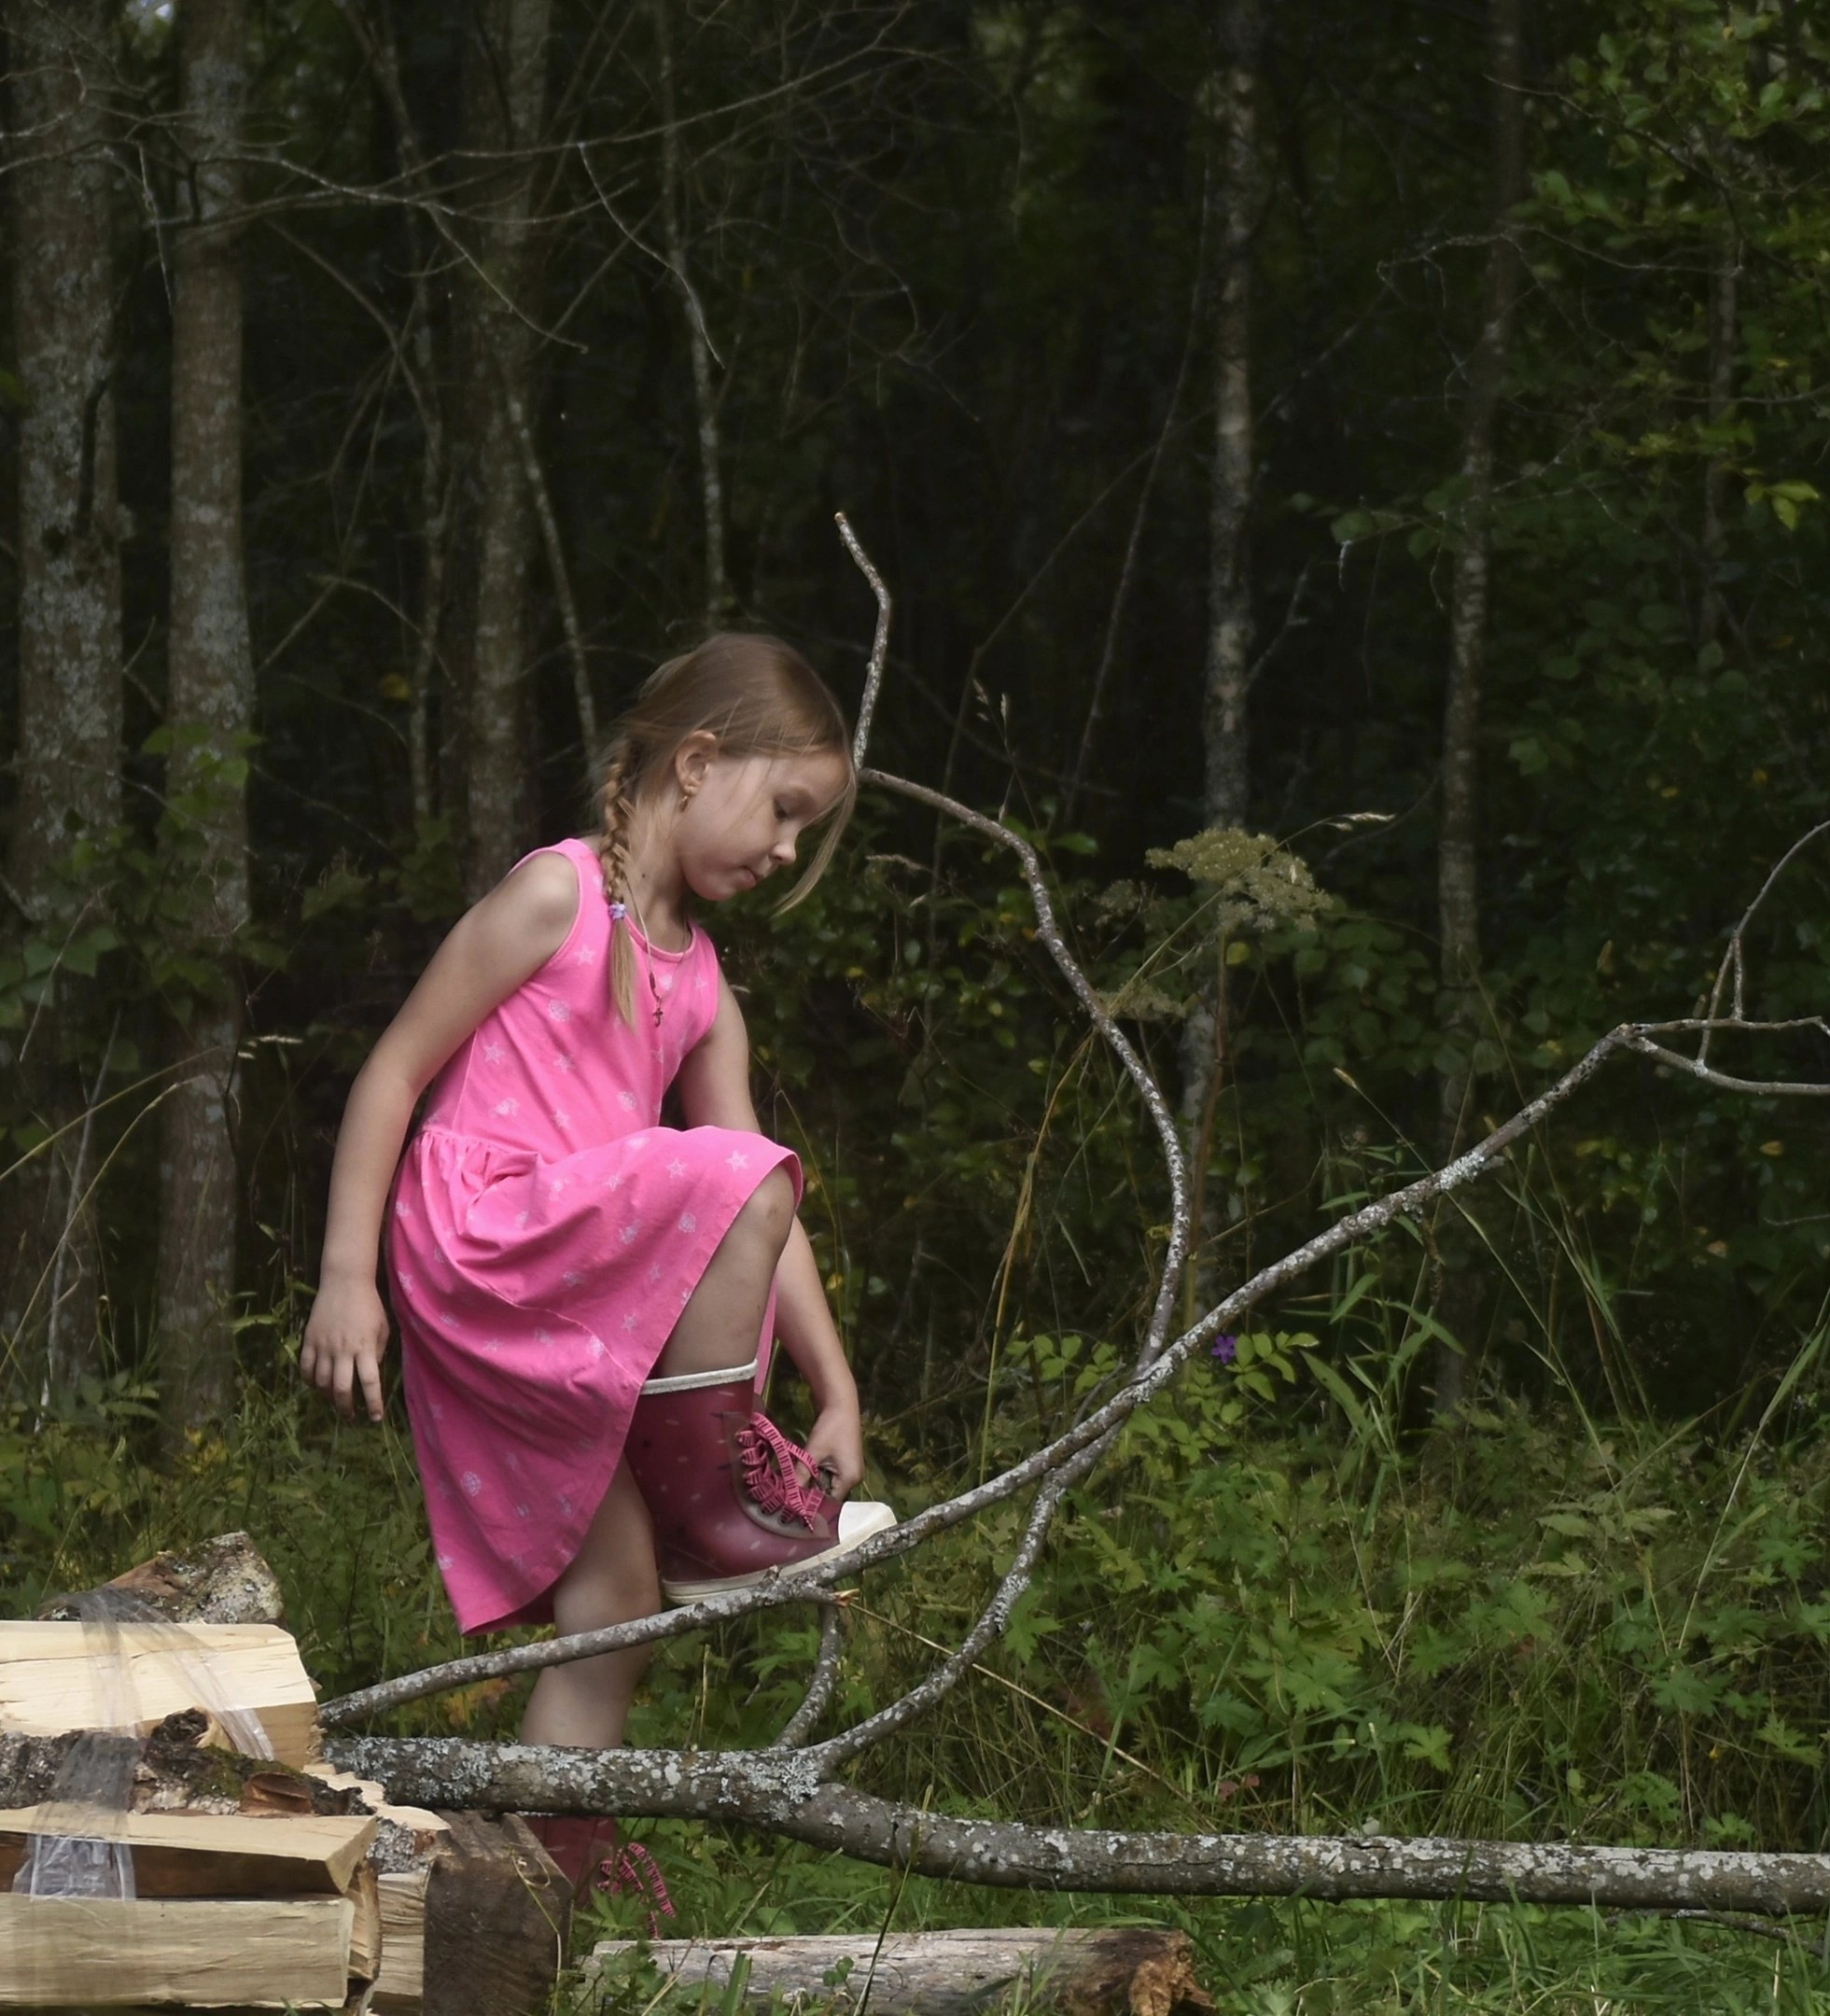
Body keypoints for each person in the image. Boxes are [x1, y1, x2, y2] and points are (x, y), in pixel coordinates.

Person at [300, 633, 895, 1883]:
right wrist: (347, 1276)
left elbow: (760, 1202)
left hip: (570, 1290)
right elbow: (395, 1068)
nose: (787, 852)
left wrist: (835, 1389)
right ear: (695, 763)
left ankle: (543, 1875)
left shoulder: (703, 982)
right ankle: (716, 1501)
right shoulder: (554, 897)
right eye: (783, 812)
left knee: (612, 1606)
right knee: (720, 1169)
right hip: (487, 1240)